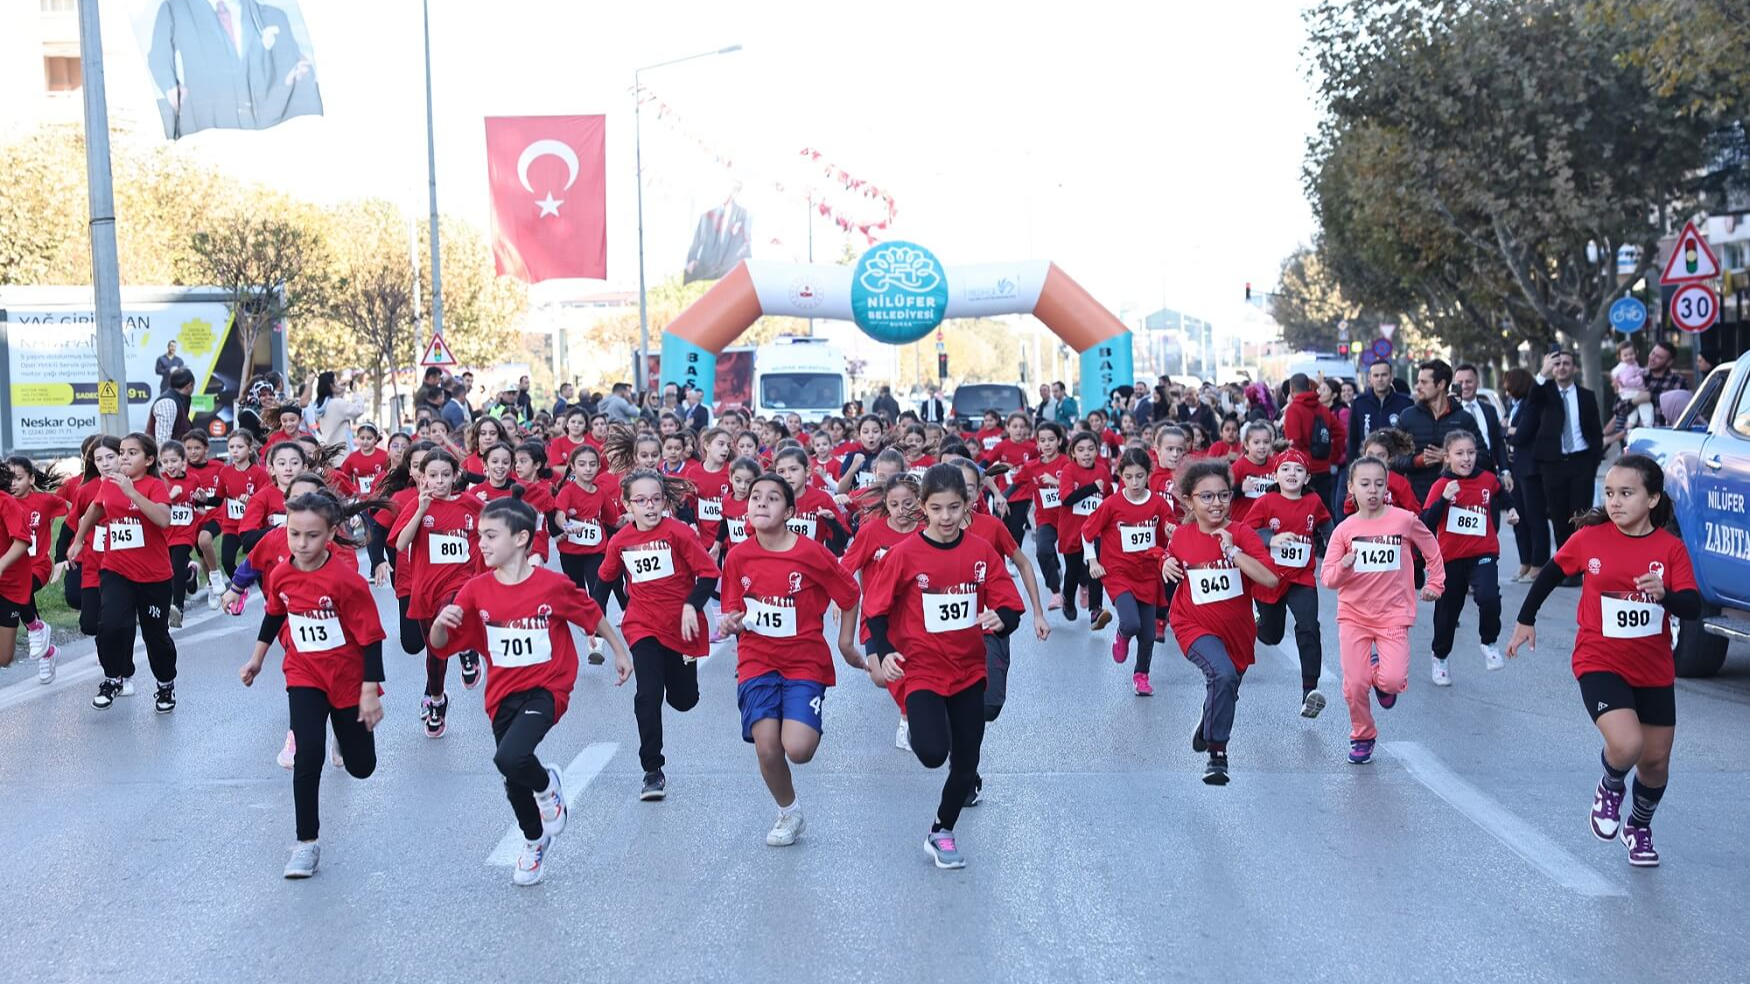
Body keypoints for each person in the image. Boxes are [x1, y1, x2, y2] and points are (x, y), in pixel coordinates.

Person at [1507, 454, 1698, 867]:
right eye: (1610, 493)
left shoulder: (1671, 549)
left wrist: (1665, 594)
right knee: (1627, 745)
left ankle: (1638, 827)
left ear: (1652, 499)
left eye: (1626, 493)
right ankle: (1611, 786)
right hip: (1600, 660)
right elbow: (1551, 573)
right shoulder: (1590, 539)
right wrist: (1525, 619)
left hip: (1653, 669)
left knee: (1655, 763)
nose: (1615, 502)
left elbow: (1693, 606)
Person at [432, 491, 632, 885]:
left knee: (510, 757)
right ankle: (533, 840)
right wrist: (440, 623)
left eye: (491, 535)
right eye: (479, 536)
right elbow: (441, 644)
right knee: (512, 774)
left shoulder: (551, 586)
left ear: (521, 538)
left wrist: (619, 650)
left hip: (547, 688)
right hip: (501, 693)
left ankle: (546, 787)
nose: (481, 543)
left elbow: (590, 613)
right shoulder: (475, 590)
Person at [863, 463, 1025, 869]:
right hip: (921, 668)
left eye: (954, 507)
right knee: (933, 752)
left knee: (967, 763)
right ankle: (929, 728)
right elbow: (876, 609)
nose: (946, 517)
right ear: (923, 507)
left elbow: (1008, 603)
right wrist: (884, 651)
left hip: (969, 668)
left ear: (968, 504)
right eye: (936, 509)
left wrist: (1002, 617)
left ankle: (942, 831)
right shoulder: (904, 555)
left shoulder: (980, 552)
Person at [238, 490, 384, 879]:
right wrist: (257, 658)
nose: (301, 544)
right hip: (304, 673)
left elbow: (371, 637)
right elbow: (274, 613)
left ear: (331, 533)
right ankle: (306, 843)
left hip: (348, 679)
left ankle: (344, 735)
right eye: (294, 534)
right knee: (307, 753)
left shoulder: (345, 581)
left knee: (362, 767)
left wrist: (370, 690)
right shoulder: (282, 573)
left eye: (312, 535)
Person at [718, 473, 863, 847]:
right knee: (767, 746)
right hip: (757, 661)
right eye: (755, 497)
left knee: (798, 749)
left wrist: (846, 644)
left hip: (804, 662)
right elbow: (733, 609)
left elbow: (850, 594)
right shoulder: (738, 557)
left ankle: (800, 717)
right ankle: (789, 812)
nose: (761, 503)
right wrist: (731, 622)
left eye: (772, 498)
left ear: (789, 511)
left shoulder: (811, 553)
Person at [595, 470, 720, 802]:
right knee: (647, 695)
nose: (649, 506)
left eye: (656, 499)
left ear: (665, 502)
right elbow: (604, 582)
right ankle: (652, 770)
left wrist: (692, 605)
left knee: (684, 700)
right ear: (627, 505)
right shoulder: (620, 541)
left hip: (682, 629)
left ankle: (678, 679)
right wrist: (592, 622)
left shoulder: (679, 533)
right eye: (641, 500)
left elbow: (708, 574)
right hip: (643, 625)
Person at [1160, 460, 1279, 784]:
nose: (1217, 503)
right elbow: (1169, 554)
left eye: (1223, 495)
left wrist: (1234, 552)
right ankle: (1217, 755)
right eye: (1207, 496)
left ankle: (1208, 723)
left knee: (1227, 684)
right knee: (1222, 674)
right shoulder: (1182, 536)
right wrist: (1165, 563)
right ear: (1189, 501)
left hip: (1237, 632)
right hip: (1192, 625)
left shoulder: (1242, 534)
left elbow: (1270, 579)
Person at [1323, 455, 1445, 765]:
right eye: (1365, 484)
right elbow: (1328, 578)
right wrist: (1344, 566)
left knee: (1391, 681)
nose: (1372, 490)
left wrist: (1436, 582)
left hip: (1393, 614)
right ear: (1351, 488)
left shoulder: (1403, 520)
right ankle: (1362, 735)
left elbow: (1431, 547)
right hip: (1354, 616)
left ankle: (1379, 675)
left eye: (1379, 484)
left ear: (1387, 487)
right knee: (1354, 685)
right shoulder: (1345, 530)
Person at [68, 433, 180, 712]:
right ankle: (113, 678)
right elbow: (93, 511)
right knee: (110, 626)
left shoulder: (155, 485)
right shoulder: (109, 484)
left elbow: (163, 519)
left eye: (132, 453)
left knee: (156, 637)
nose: (124, 458)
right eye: (122, 452)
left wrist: (132, 493)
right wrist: (78, 541)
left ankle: (165, 684)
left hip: (154, 576)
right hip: (116, 569)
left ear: (149, 460)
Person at [389, 448, 486, 738]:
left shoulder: (470, 504)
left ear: (456, 475)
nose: (440, 481)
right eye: (433, 475)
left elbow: (496, 527)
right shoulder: (418, 505)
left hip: (461, 582)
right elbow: (400, 544)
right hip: (425, 590)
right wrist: (421, 510)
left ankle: (467, 651)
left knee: (452, 608)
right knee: (435, 656)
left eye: (445, 475)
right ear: (423, 478)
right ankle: (437, 700)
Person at [1421, 430, 1518, 685]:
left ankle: (1489, 642)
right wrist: (1444, 499)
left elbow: (1502, 493)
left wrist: (1512, 509)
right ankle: (1440, 657)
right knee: (1448, 613)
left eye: (1471, 453)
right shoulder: (1442, 485)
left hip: (1483, 552)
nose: (1466, 459)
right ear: (1447, 457)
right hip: (1451, 558)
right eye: (1460, 453)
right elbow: (1426, 522)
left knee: (1488, 596)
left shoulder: (1487, 479)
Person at [1082, 449, 1176, 695]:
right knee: (1131, 623)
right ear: (1121, 476)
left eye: (1140, 476)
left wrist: (1171, 532)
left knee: (1148, 634)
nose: (1134, 483)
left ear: (1148, 475)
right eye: (1129, 477)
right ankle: (1122, 635)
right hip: (1118, 573)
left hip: (1148, 574)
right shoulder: (1112, 504)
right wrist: (1093, 562)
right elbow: (1087, 532)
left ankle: (1141, 675)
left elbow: (1171, 529)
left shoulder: (1158, 503)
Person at [1247, 449, 1333, 716]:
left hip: (1301, 577)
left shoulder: (1313, 501)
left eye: (1298, 469)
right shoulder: (1266, 502)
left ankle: (1310, 691)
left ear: (1307, 478)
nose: (1292, 474)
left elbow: (1326, 523)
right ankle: (1258, 621)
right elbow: (1246, 533)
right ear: (1275, 475)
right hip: (1269, 578)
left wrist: (1335, 546)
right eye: (1285, 469)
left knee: (1309, 627)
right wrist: (1271, 539)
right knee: (1271, 636)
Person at [1516, 350, 1603, 565]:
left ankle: (1581, 563)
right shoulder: (1544, 393)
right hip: (1553, 465)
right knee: (1558, 516)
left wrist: (1593, 462)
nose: (1561, 367)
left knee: (1581, 516)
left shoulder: (1586, 396)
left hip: (1581, 462)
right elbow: (1532, 398)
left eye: (1566, 363)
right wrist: (1543, 373)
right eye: (1557, 364)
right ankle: (1566, 565)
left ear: (1575, 368)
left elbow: (1595, 431)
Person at [1394, 359, 1485, 504]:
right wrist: (1417, 461)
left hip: (1458, 501)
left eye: (1424, 382)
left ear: (1441, 384)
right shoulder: (1407, 416)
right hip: (1417, 501)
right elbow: (1393, 458)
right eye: (1418, 382)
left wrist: (1450, 458)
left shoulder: (1464, 419)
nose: (1418, 387)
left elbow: (1484, 459)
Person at [1502, 367, 1549, 581]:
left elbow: (1522, 433)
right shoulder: (1513, 405)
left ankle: (1539, 563)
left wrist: (1508, 431)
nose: (1506, 390)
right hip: (1514, 466)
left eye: (1508, 384)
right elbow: (1508, 430)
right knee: (1518, 516)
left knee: (1534, 516)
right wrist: (1509, 430)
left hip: (1530, 469)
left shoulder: (1531, 404)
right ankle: (1525, 562)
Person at [1281, 373, 1346, 507]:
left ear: (1291, 389)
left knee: (1302, 509)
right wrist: (1333, 456)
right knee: (1324, 509)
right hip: (1324, 468)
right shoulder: (1323, 409)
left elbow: (1293, 441)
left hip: (1302, 471)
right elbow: (1340, 433)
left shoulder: (1293, 409)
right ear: (1309, 387)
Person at [1346, 360, 1414, 464]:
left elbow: (1411, 437)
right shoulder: (1359, 403)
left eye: (1384, 375)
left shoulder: (1406, 403)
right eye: (1376, 375)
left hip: (1397, 465)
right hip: (1367, 464)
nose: (1380, 379)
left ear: (1391, 377)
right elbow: (1352, 439)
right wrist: (1352, 466)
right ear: (1370, 378)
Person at [1635, 342, 1689, 427]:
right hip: (1638, 432)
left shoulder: (1678, 382)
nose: (1652, 358)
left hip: (1663, 432)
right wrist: (1634, 401)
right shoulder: (1639, 377)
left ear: (1669, 362)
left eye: (1658, 357)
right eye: (1652, 353)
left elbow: (1684, 413)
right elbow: (1619, 408)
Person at [307, 371, 365, 447]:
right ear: (331, 386)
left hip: (326, 447)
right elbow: (359, 409)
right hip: (340, 450)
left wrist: (341, 389)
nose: (339, 384)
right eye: (336, 382)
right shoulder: (337, 404)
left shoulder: (320, 405)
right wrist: (355, 392)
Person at [149, 367, 197, 445]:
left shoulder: (179, 401)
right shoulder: (167, 402)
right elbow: (162, 442)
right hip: (166, 452)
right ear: (189, 385)